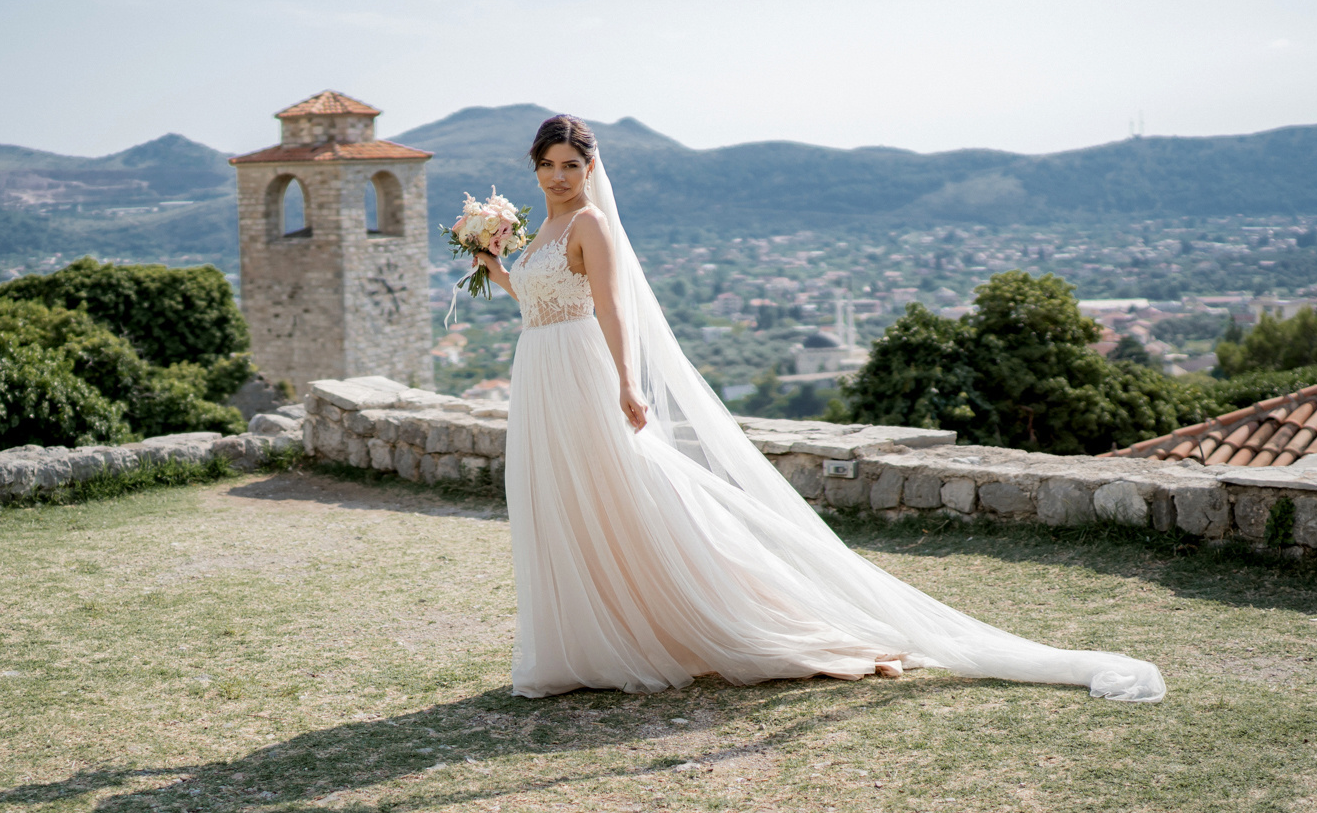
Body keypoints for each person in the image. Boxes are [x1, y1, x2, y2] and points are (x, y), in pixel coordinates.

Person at [472, 113, 1165, 703]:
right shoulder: (540, 233)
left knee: (629, 490)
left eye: (569, 163)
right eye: (547, 164)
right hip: (539, 375)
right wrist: (496, 265)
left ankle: (709, 617)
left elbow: (613, 309)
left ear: (590, 168)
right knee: (561, 500)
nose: (558, 175)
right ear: (534, 169)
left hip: (584, 375)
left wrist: (628, 381)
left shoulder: (590, 223)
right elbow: (542, 306)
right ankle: (588, 641)